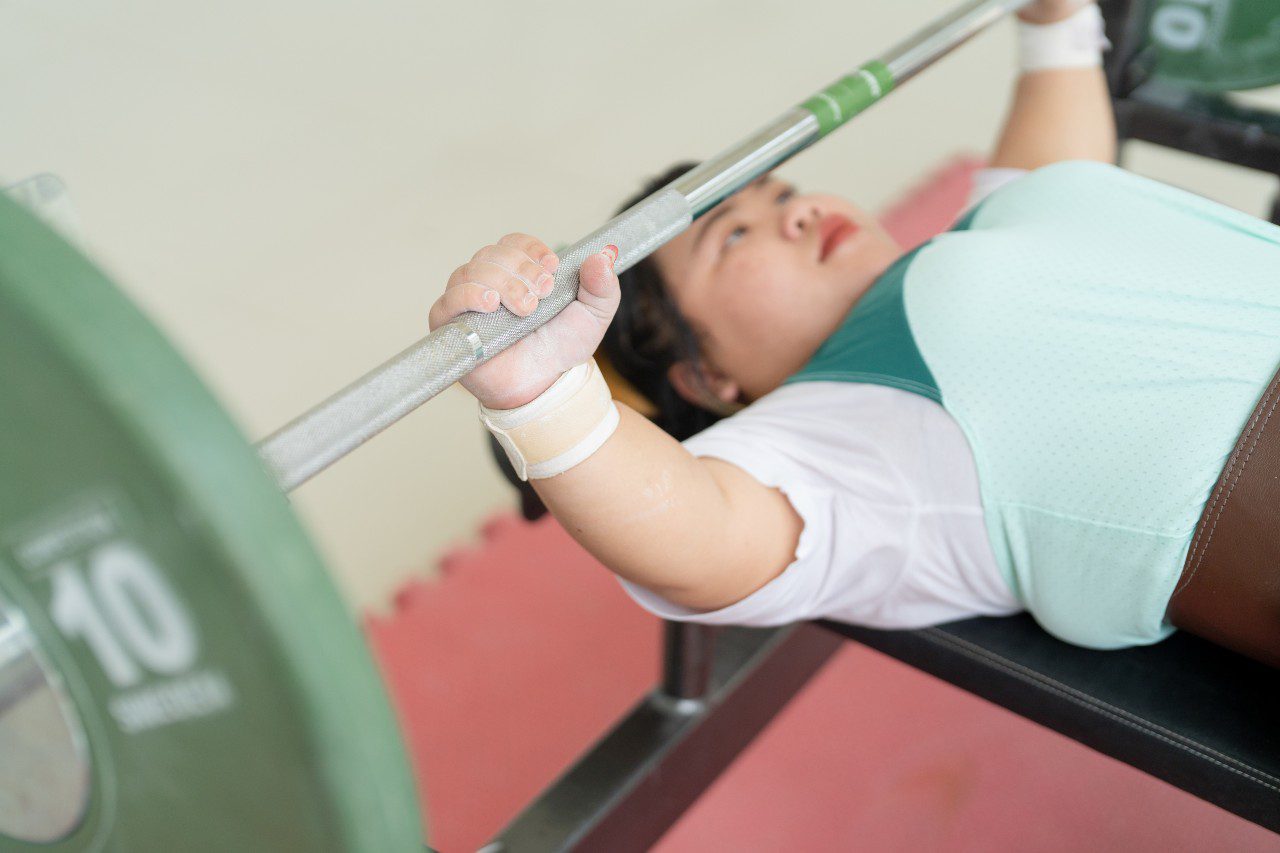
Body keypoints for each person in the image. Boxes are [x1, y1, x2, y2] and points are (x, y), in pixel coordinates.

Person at [427, 0, 1280, 658]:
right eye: (735, 237)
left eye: (785, 196)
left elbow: (1058, 153)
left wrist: (1056, 24)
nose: (798, 217)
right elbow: (701, 535)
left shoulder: (992, 229)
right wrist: (543, 398)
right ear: (706, 379)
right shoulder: (832, 440)